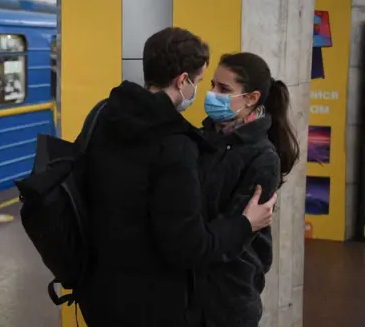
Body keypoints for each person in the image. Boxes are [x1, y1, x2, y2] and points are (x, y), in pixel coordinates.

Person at [75, 27, 277, 327]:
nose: (208, 94)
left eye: (222, 89)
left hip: (99, 292)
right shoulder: (176, 144)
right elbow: (189, 245)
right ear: (183, 81)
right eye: (202, 83)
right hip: (153, 301)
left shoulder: (104, 114)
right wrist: (246, 224)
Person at [197, 52, 299, 327]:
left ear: (251, 98)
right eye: (212, 86)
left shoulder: (263, 157)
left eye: (224, 89)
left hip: (230, 298)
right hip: (193, 294)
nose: (213, 94)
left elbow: (233, 231)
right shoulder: (203, 139)